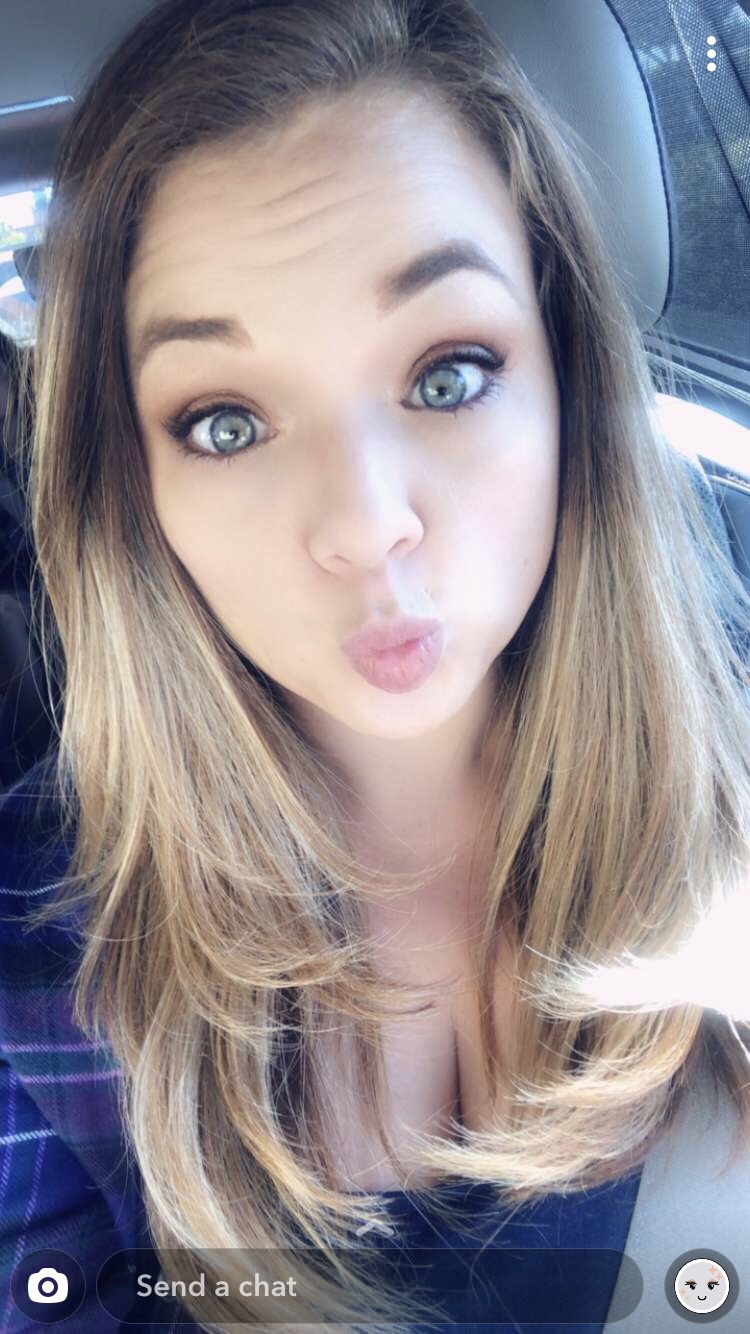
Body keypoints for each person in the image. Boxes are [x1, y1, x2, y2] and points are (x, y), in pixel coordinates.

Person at [2, 0, 750, 1330]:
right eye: (224, 422)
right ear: (133, 488)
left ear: (566, 374)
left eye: (447, 373)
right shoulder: (37, 947)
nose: (361, 524)